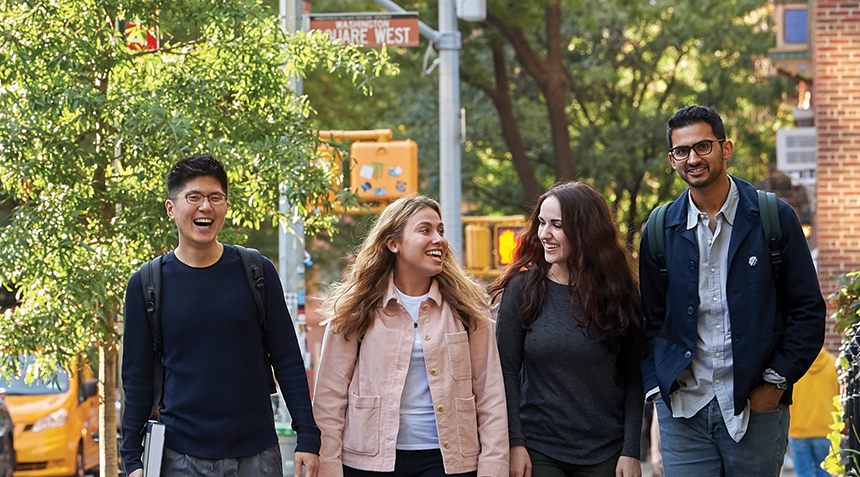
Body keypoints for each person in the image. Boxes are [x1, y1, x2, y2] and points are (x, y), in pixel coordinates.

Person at [639, 105, 826, 477]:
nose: (693, 158)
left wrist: (775, 384)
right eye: (682, 151)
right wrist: (656, 388)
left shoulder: (774, 218)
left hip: (755, 407)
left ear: (726, 148)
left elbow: (807, 311)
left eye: (703, 147)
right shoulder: (659, 229)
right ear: (672, 160)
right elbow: (649, 321)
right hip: (683, 411)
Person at [121, 154, 321, 477]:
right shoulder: (146, 285)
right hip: (179, 459)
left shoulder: (257, 271)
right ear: (171, 208)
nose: (205, 207)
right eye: (194, 197)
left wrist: (308, 436)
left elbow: (286, 358)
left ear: (226, 206)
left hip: (257, 457)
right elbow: (137, 378)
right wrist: (131, 460)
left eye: (216, 198)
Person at [313, 195, 508, 477]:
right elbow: (330, 397)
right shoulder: (357, 306)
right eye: (425, 230)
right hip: (370, 461)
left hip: (448, 462)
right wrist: (328, 465)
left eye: (440, 231)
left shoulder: (468, 306)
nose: (438, 239)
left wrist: (493, 466)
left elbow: (490, 392)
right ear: (394, 244)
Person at [491, 181, 645, 477]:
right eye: (541, 223)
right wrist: (514, 443)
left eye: (557, 225)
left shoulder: (622, 294)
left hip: (606, 451)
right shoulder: (522, 289)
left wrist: (631, 451)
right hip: (538, 448)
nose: (544, 234)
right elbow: (506, 372)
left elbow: (633, 376)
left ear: (586, 230)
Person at [788, 348, 839, 477]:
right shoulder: (832, 364)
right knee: (824, 471)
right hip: (825, 429)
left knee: (803, 473)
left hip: (798, 428)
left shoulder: (795, 367)